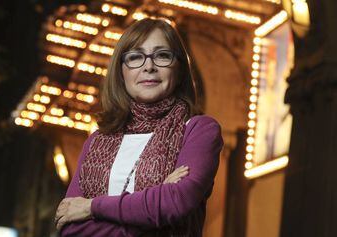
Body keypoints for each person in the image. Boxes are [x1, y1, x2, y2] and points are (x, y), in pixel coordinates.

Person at [54, 18, 224, 237]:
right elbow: (69, 227)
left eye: (162, 55)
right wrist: (154, 204)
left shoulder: (199, 130)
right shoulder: (97, 140)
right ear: (121, 72)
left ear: (180, 68)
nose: (149, 66)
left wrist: (91, 207)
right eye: (135, 57)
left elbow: (174, 203)